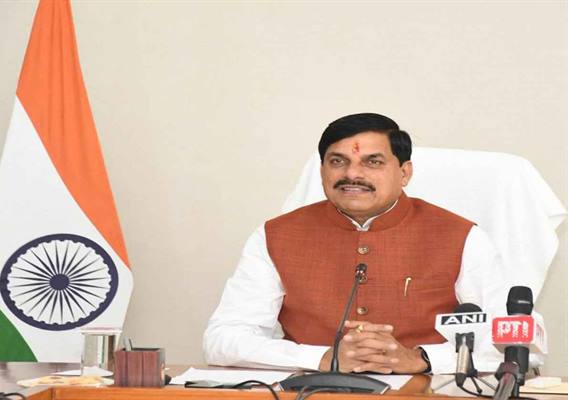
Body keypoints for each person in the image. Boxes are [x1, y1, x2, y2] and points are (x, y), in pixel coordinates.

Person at [203, 113, 509, 374]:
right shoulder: (276, 235)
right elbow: (222, 340)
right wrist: (322, 358)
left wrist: (421, 359)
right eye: (338, 161)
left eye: (372, 162)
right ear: (322, 170)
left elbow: (511, 343)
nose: (352, 174)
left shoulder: (461, 236)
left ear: (404, 173)